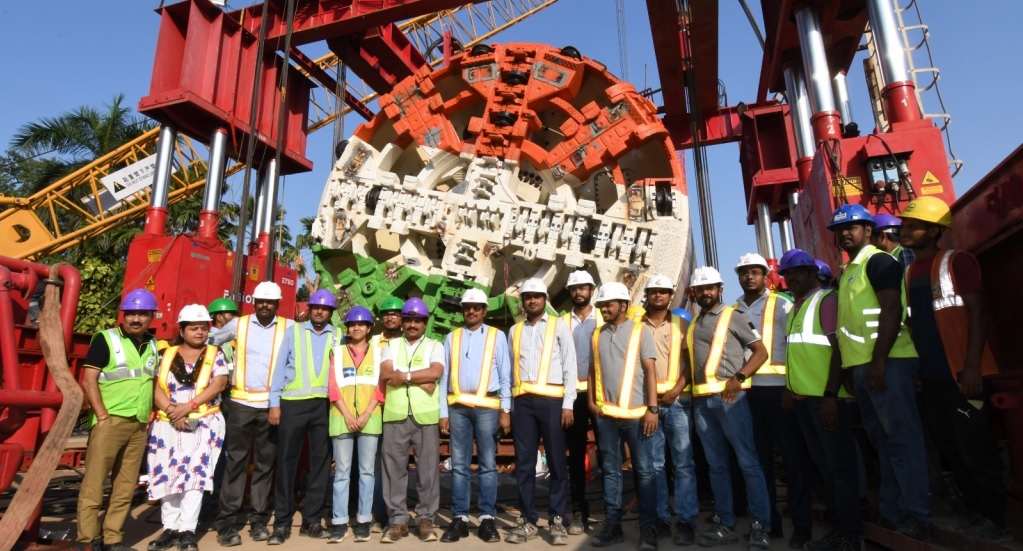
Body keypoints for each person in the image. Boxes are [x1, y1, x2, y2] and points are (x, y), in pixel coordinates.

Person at [899, 197, 1010, 543]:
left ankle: (994, 517)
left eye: (913, 226)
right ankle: (974, 512)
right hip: (931, 378)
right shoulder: (909, 272)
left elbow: (978, 314)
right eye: (904, 225)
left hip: (963, 376)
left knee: (974, 447)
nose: (905, 231)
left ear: (933, 231)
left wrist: (973, 368)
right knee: (950, 447)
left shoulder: (956, 262)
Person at [828, 203, 929, 540]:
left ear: (868, 231)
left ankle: (916, 514)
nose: (844, 233)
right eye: (840, 229)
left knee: (902, 439)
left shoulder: (878, 261)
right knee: (883, 443)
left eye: (852, 227)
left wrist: (879, 362)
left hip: (888, 363)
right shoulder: (849, 272)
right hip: (865, 369)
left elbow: (891, 308)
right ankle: (892, 511)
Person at [683, 266, 771, 550]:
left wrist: (740, 377)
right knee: (716, 466)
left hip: (731, 400)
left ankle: (761, 526)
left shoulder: (733, 316)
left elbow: (761, 352)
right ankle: (725, 522)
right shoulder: (695, 321)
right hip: (703, 403)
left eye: (710, 287)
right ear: (693, 293)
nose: (705, 293)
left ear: (720, 289)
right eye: (700, 288)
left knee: (748, 462)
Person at [778, 250, 861, 551]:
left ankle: (849, 536)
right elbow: (798, 354)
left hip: (826, 401)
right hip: (804, 400)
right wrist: (789, 387)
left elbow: (839, 350)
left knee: (839, 469)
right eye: (787, 274)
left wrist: (830, 396)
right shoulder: (796, 308)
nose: (792, 278)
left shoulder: (826, 300)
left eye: (798, 271)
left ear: (813, 272)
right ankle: (839, 532)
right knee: (825, 467)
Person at [732, 253, 811, 547]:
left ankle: (801, 526)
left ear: (766, 275)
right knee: (759, 461)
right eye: (744, 272)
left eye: (755, 272)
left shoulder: (782, 303)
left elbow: (796, 344)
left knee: (793, 459)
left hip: (780, 391)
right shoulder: (734, 309)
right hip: (749, 393)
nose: (749, 277)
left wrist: (792, 385)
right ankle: (769, 524)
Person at [77, 289, 160, 551]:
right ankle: (87, 541)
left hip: (137, 425)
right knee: (94, 485)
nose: (136, 319)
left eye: (142, 314)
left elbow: (152, 383)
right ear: (123, 314)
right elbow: (89, 379)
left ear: (151, 317)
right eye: (131, 313)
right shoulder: (106, 339)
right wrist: (101, 415)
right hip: (110, 421)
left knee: (124, 487)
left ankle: (112, 539)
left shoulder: (153, 344)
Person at [211, 281, 293, 547]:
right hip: (241, 405)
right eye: (260, 301)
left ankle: (258, 519)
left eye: (269, 302)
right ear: (254, 302)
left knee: (264, 466)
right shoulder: (239, 325)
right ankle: (227, 521)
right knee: (236, 463)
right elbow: (210, 341)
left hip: (271, 406)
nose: (264, 305)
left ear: (278, 304)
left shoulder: (288, 327)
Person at [146, 305, 229, 551]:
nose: (199, 332)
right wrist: (174, 412)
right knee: (167, 473)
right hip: (168, 424)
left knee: (196, 477)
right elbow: (154, 386)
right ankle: (169, 527)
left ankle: (187, 530)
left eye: (204, 328)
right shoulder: (166, 354)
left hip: (203, 423)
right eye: (193, 328)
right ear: (182, 330)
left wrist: (189, 406)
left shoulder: (216, 353)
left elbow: (219, 383)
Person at [588, 282, 660, 551]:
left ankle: (648, 529)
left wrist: (652, 409)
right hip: (606, 416)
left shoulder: (640, 331)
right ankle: (613, 525)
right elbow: (594, 370)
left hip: (637, 415)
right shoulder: (597, 334)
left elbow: (650, 371)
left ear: (623, 305)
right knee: (611, 472)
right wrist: (591, 401)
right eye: (602, 305)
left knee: (644, 472)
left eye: (608, 304)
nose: (604, 308)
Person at [506, 278, 576, 545]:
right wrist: (509, 406)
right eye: (527, 297)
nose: (532, 301)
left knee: (557, 462)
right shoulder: (515, 330)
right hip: (523, 403)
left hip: (553, 403)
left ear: (545, 299)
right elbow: (512, 370)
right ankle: (528, 520)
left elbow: (570, 366)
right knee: (524, 464)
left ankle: (557, 519)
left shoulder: (559, 326)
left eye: (537, 296)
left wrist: (568, 403)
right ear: (522, 302)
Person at [438, 289, 512, 543]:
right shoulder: (452, 337)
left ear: (484, 310)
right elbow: (445, 377)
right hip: (457, 408)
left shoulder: (496, 336)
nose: (471, 311)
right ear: (463, 310)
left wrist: (505, 410)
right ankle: (459, 518)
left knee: (488, 465)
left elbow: (505, 375)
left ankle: (486, 518)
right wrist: (442, 412)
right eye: (467, 307)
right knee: (459, 464)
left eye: (476, 307)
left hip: (487, 408)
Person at [267, 289, 337, 543]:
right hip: (292, 404)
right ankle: (282, 523)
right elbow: (279, 369)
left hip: (324, 406)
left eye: (325, 308)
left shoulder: (337, 336)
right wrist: (274, 403)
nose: (320, 311)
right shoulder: (294, 331)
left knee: (320, 464)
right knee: (287, 463)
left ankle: (311, 521)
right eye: (316, 307)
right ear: (310, 309)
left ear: (330, 312)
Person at [378, 297, 444, 543]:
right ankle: (397, 520)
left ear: (425, 323)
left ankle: (425, 518)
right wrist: (420, 379)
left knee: (428, 470)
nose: (413, 324)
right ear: (403, 323)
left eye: (418, 320)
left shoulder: (435, 346)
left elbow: (435, 372)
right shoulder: (391, 346)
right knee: (394, 469)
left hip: (425, 415)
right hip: (395, 413)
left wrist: (403, 375)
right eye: (409, 320)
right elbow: (386, 374)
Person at [640, 274, 697, 545]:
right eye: (654, 292)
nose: (658, 296)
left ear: (670, 295)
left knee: (684, 463)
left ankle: (686, 520)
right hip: (648, 404)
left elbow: (692, 362)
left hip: (677, 402)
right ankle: (662, 517)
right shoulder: (636, 326)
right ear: (647, 295)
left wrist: (676, 390)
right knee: (656, 465)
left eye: (663, 292)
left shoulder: (682, 324)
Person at [327, 306, 383, 543]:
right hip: (342, 418)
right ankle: (339, 522)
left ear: (369, 328)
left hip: (369, 418)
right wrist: (349, 415)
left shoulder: (380, 353)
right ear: (347, 329)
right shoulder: (337, 353)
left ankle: (363, 520)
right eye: (352, 324)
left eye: (361, 324)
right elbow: (332, 387)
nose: (356, 328)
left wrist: (365, 414)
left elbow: (382, 388)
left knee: (367, 472)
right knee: (341, 472)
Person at [559, 270, 602, 535]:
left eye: (583, 288)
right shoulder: (562, 322)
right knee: (575, 456)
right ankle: (579, 511)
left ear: (591, 290)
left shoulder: (602, 318)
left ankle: (612, 511)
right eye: (574, 289)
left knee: (609, 454)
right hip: (573, 394)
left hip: (600, 395)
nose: (578, 292)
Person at [369, 296, 405, 532]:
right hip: (372, 406)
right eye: (386, 313)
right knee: (371, 462)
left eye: (395, 313)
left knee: (392, 462)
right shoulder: (372, 342)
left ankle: (394, 510)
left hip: (397, 407)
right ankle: (375, 509)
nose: (390, 317)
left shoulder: (408, 342)